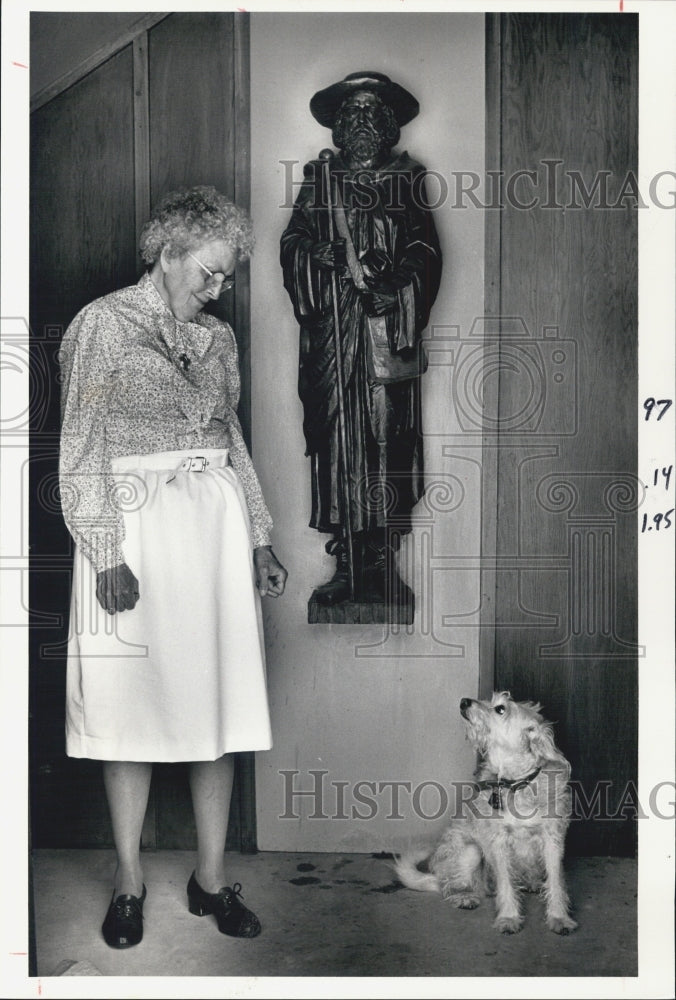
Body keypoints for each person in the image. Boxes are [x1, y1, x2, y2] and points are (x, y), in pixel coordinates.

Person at [59, 186, 287, 947]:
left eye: (225, 278)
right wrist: (103, 550)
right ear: (168, 253)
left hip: (213, 533)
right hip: (134, 534)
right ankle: (129, 881)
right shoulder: (102, 324)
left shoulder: (217, 341)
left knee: (214, 706)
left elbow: (231, 439)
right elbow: (81, 444)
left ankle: (212, 878)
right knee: (130, 706)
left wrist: (258, 533)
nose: (219, 290)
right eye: (211, 274)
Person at [280, 71, 442, 608]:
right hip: (334, 335)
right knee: (335, 440)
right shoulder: (319, 180)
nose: (361, 123)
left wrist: (395, 292)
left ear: (389, 125)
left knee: (384, 439)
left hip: (381, 334)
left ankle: (380, 560)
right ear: (339, 128)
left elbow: (425, 252)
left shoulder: (407, 178)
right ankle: (346, 561)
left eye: (372, 114)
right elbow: (294, 242)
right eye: (352, 115)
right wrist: (314, 257)